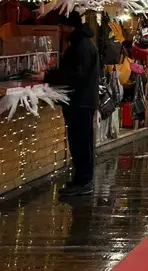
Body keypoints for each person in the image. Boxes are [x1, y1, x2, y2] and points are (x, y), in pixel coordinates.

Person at [41, 11, 100, 197]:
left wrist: (47, 76)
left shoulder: (80, 46)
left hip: (80, 102)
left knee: (81, 142)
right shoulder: (81, 43)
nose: (60, 29)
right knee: (80, 142)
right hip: (80, 102)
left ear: (70, 26)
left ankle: (84, 181)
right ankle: (81, 179)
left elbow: (75, 75)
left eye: (62, 26)